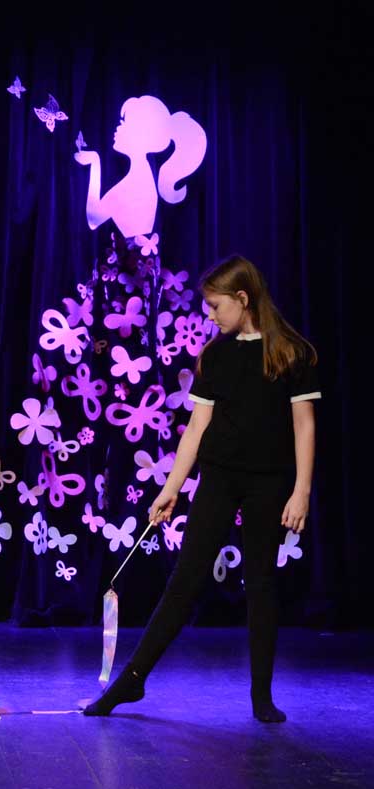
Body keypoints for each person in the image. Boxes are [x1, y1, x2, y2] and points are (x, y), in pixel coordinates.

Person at [84, 255, 320, 722]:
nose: (210, 316)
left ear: (243, 299)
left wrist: (302, 491)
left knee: (261, 583)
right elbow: (196, 428)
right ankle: (132, 680)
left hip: (268, 482)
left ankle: (262, 696)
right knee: (184, 580)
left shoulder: (291, 353)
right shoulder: (215, 355)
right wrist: (171, 487)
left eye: (216, 306)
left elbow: (304, 426)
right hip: (219, 478)